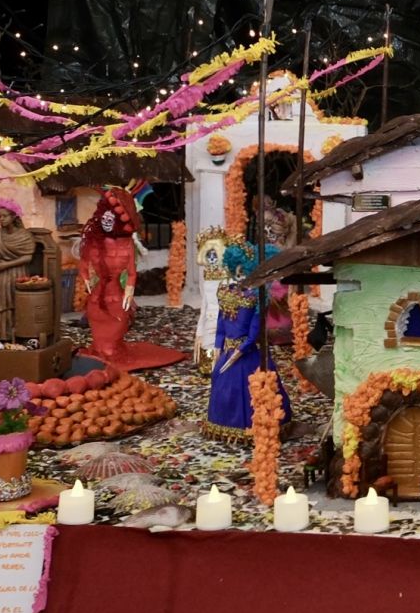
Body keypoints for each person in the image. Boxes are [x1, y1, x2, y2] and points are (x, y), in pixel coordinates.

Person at [78, 187, 185, 371]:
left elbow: (132, 273)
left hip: (116, 296)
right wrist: (86, 280)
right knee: (99, 321)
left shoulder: (126, 245)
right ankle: (101, 349)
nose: (107, 222)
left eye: (111, 218)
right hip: (97, 297)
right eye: (104, 218)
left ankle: (111, 350)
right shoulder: (94, 241)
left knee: (116, 324)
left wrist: (129, 291)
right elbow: (84, 262)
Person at [203, 250, 289, 442]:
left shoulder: (255, 299)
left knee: (256, 390)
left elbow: (253, 334)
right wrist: (218, 349)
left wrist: (238, 353)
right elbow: (221, 326)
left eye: (243, 272)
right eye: (235, 272)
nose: (239, 277)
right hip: (227, 353)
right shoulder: (225, 294)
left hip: (246, 355)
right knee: (222, 386)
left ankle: (256, 428)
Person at [0, 201, 38, 347]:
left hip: (18, 273)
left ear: (13, 216)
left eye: (5, 216)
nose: (2, 219)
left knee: (18, 303)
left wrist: (5, 265)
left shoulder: (24, 236)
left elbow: (27, 257)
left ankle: (21, 335)